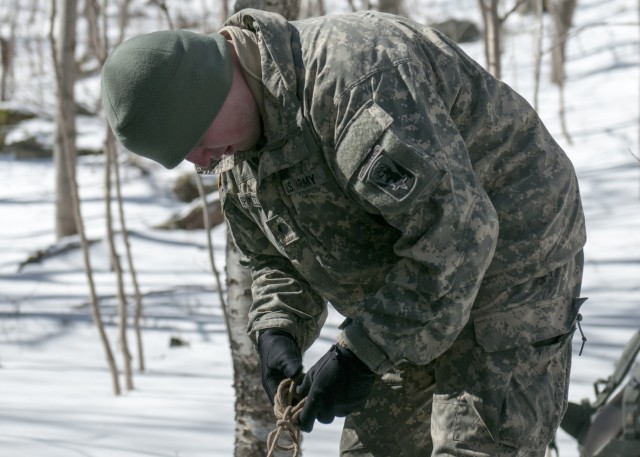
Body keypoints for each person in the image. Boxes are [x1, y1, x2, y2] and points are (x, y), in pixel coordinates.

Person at [101, 8, 587, 457]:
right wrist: (278, 329)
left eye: (194, 142)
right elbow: (273, 259)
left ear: (211, 89)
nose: (201, 161)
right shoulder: (236, 151)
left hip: (511, 261)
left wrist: (360, 355)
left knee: (475, 446)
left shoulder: (355, 83)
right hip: (408, 289)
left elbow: (457, 234)